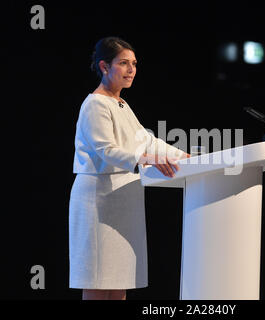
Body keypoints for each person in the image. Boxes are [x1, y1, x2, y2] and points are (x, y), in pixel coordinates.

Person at [69, 37, 189, 300]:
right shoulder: (95, 103)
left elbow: (147, 141)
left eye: (134, 63)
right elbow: (106, 150)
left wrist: (186, 157)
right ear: (104, 66)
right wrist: (147, 158)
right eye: (123, 63)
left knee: (119, 281)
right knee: (98, 280)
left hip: (124, 198)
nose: (131, 69)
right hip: (98, 199)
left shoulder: (120, 103)